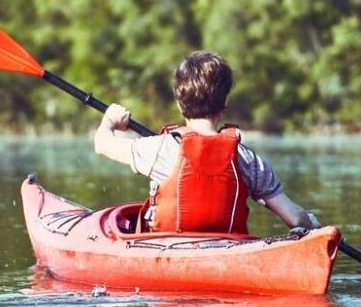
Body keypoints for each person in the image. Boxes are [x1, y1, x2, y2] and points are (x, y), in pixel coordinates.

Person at [93, 51, 322, 235]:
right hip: (230, 254)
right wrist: (312, 226)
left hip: (168, 254)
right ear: (225, 102)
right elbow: (294, 218)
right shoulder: (248, 160)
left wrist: (110, 120)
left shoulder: (160, 149)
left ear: (179, 102)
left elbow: (102, 144)